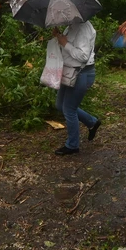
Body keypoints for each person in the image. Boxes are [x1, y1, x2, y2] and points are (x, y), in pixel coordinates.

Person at [52, 21, 101, 155]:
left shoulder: (83, 28)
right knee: (60, 105)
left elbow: (83, 56)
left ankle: (72, 145)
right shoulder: (71, 26)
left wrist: (65, 44)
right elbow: (68, 49)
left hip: (81, 73)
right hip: (69, 71)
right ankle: (92, 122)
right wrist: (59, 37)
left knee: (69, 109)